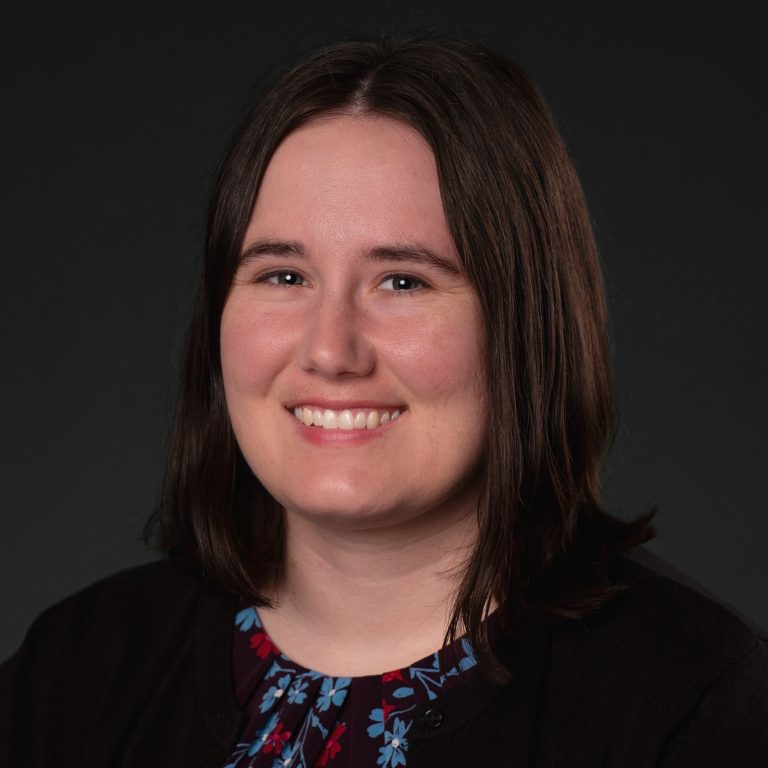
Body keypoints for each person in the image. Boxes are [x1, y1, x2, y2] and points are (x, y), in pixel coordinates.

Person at [1, 37, 766, 767]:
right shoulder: (74, 670)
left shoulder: (695, 703)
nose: (330, 350)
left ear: (526, 325)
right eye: (283, 276)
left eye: (404, 281)